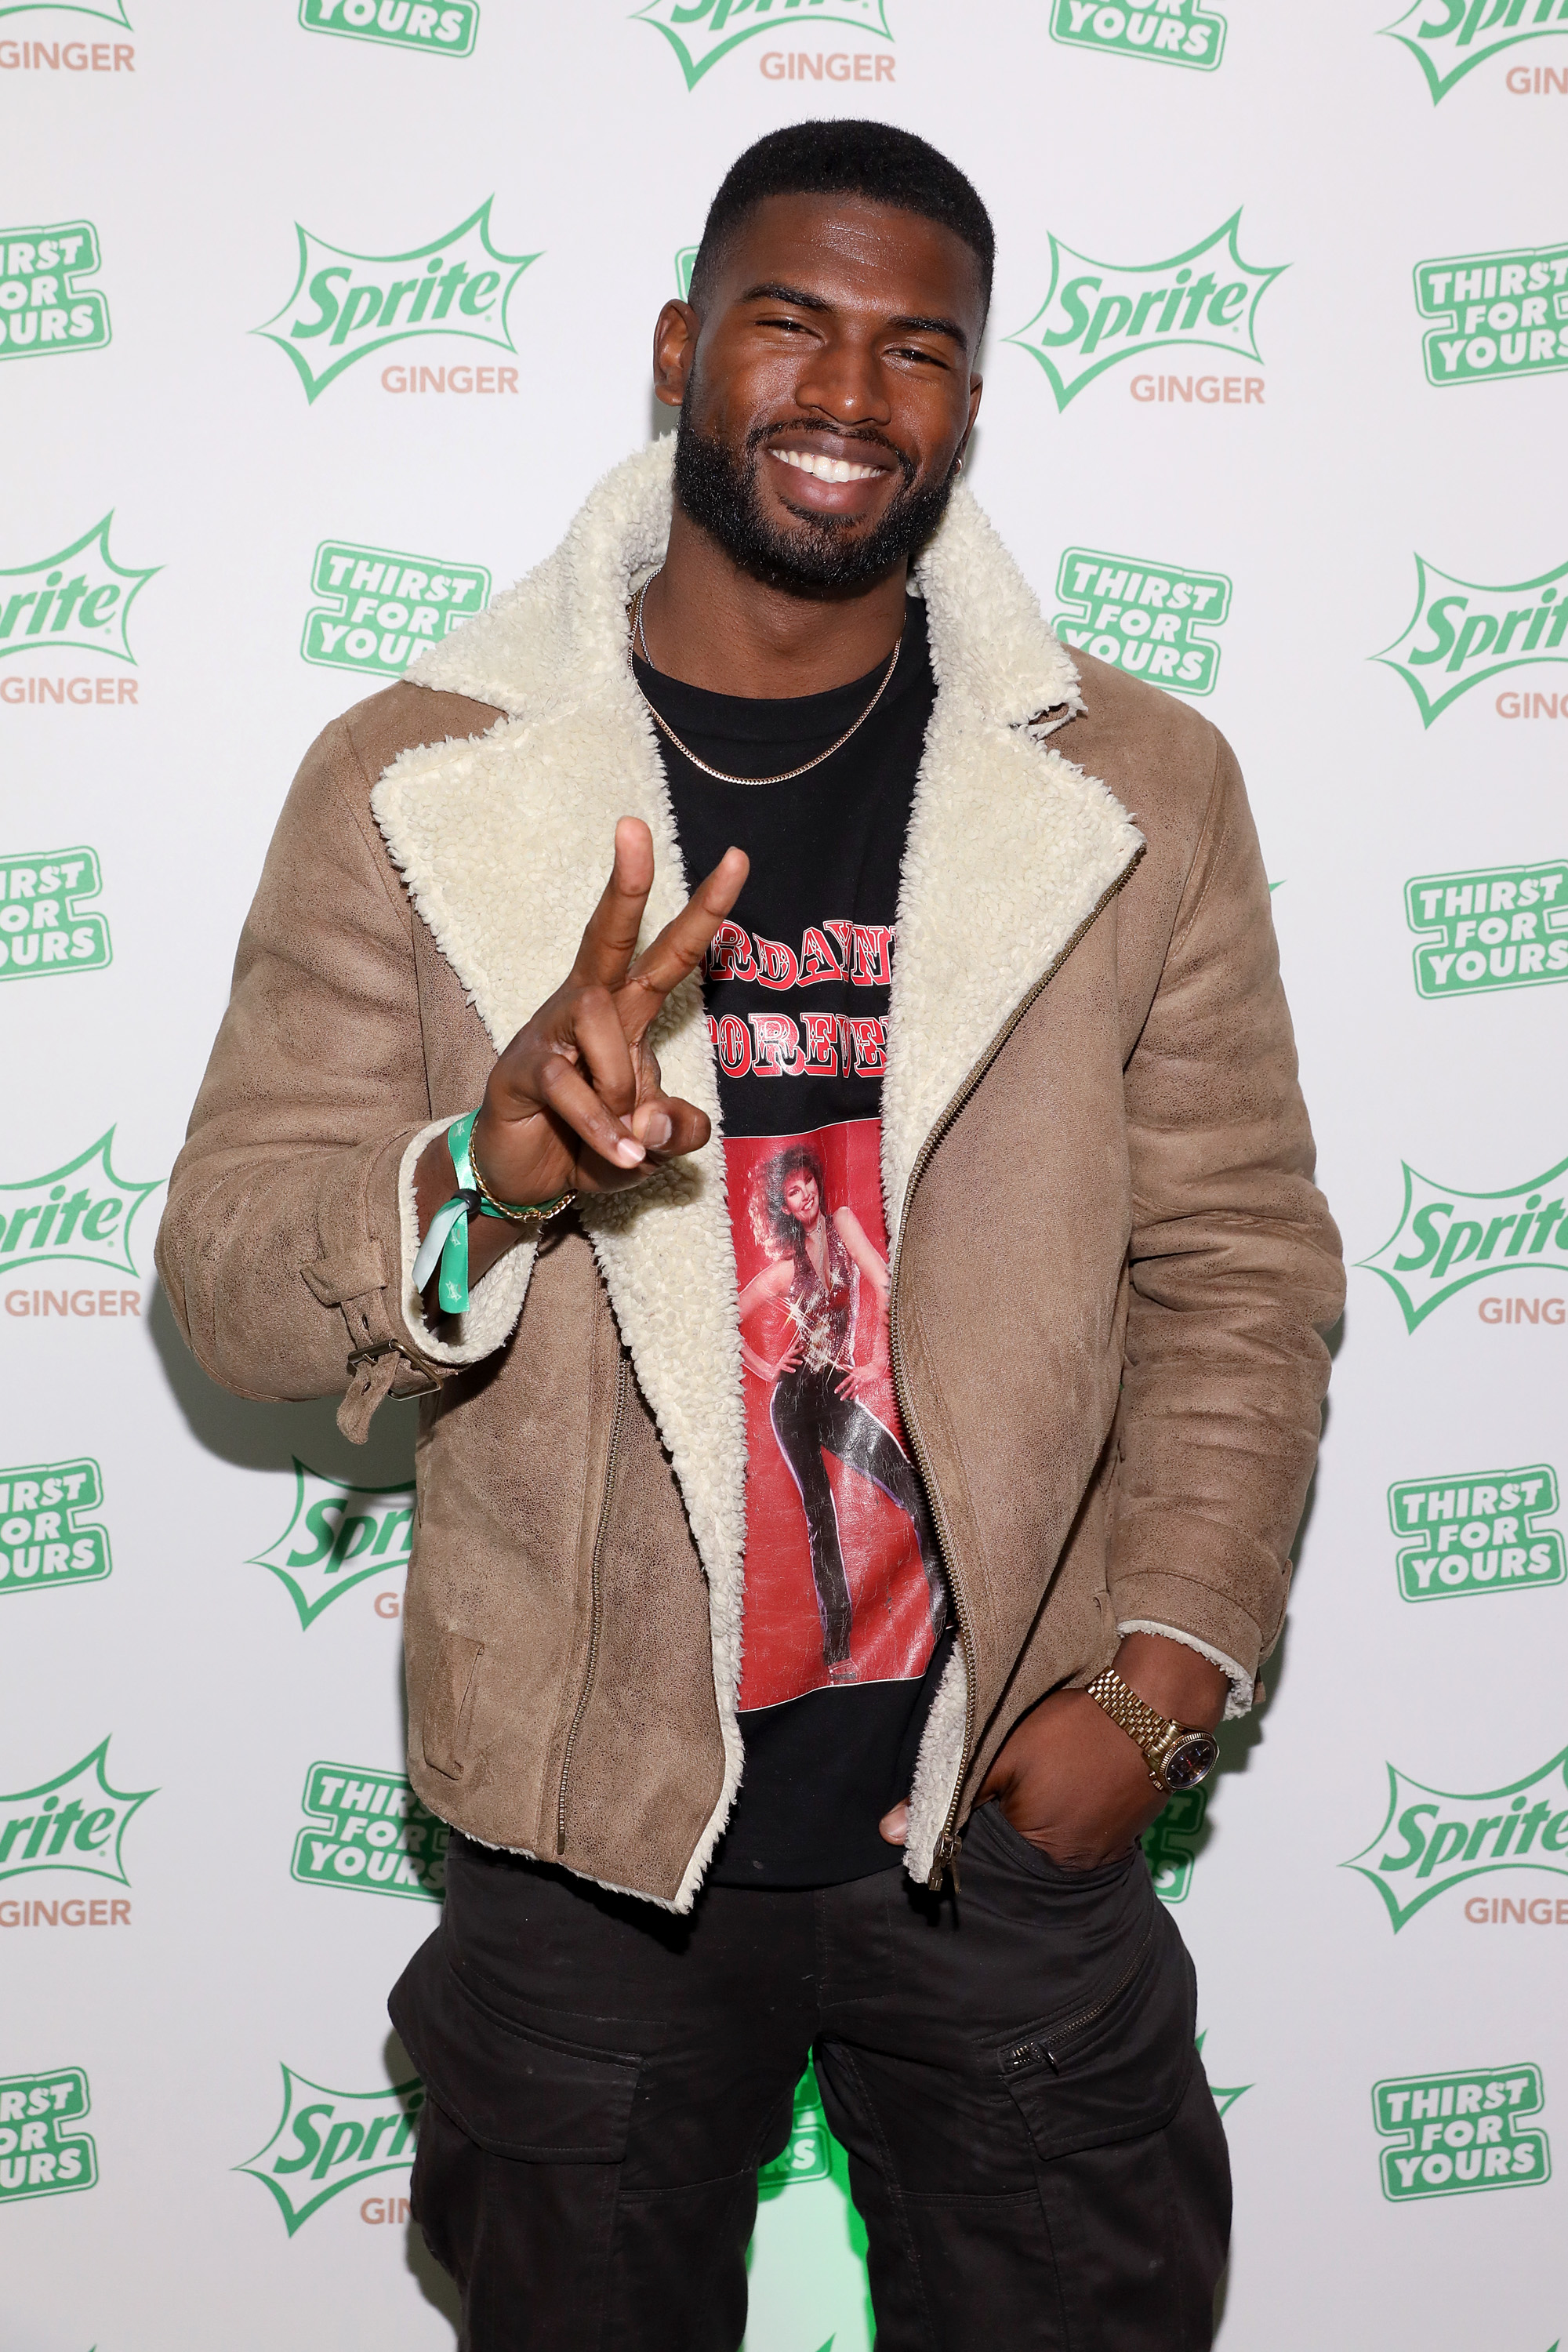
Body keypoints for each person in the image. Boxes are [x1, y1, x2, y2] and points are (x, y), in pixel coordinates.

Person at [158, 118, 1344, 2350]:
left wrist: (1167, 1673)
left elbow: (1236, 1263)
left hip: (1005, 1800)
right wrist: (492, 1172)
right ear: (678, 348)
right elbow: (231, 1280)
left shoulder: (1134, 787)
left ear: (969, 402)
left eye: (919, 348)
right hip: (585, 1836)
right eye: (789, 321)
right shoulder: (420, 781)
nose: (849, 392)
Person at [738, 1140, 946, 1682]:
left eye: (806, 1183)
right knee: (821, 1518)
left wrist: (877, 1361)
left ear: (816, 1183)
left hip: (836, 1387)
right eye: (791, 1192)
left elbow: (883, 1281)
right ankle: (838, 1655)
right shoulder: (786, 1269)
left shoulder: (843, 1224)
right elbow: (726, 1315)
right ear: (785, 1206)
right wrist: (766, 1367)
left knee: (908, 1484)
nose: (803, 1195)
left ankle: (943, 1614)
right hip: (792, 1404)